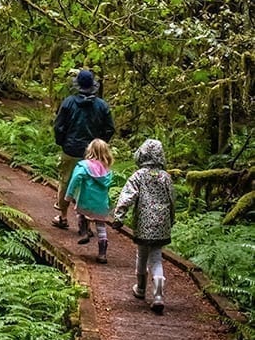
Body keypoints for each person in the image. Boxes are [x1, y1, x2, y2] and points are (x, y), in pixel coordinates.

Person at [111, 139, 175, 315]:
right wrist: (171, 219)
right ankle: (158, 295)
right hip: (162, 223)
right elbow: (172, 200)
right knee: (156, 257)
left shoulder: (139, 176)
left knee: (142, 255)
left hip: (144, 223)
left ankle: (140, 288)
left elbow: (127, 196)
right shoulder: (166, 177)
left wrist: (119, 216)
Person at [51, 69, 114, 230]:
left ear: (78, 85)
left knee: (65, 181)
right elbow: (109, 128)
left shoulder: (68, 102)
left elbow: (59, 126)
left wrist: (62, 143)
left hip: (71, 150)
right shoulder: (102, 106)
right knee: (90, 184)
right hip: (94, 153)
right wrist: (100, 145)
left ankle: (63, 217)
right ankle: (87, 221)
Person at [64, 139, 114, 263]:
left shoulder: (84, 165)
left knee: (80, 213)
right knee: (101, 227)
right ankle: (102, 254)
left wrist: (69, 195)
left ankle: (84, 232)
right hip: (101, 204)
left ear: (89, 150)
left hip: (86, 200)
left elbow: (76, 178)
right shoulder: (107, 169)